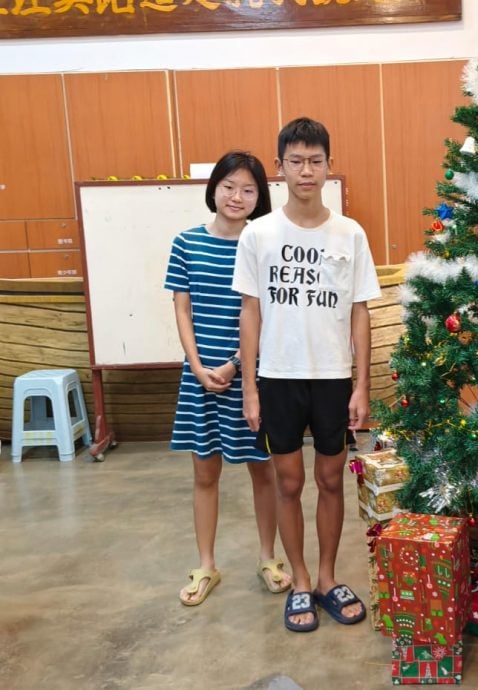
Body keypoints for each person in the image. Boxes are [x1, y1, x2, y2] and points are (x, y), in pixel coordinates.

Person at [233, 117, 381, 633]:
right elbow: (249, 312)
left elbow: (361, 311)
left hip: (333, 377)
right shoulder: (258, 234)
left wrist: (361, 384)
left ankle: (325, 578)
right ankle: (298, 581)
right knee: (290, 483)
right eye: (295, 161)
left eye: (315, 161)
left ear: (328, 166)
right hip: (277, 375)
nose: (306, 171)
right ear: (279, 168)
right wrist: (250, 387)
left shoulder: (350, 233)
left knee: (331, 479)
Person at [165, 150, 292, 606]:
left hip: (253, 377)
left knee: (264, 471)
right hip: (200, 377)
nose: (236, 197)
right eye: (228, 186)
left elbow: (264, 314)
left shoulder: (262, 244)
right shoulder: (186, 243)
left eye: (248, 190)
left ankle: (268, 557)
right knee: (204, 473)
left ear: (259, 197)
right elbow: (182, 307)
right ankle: (206, 565)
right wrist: (198, 366)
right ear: (213, 189)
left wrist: (236, 364)